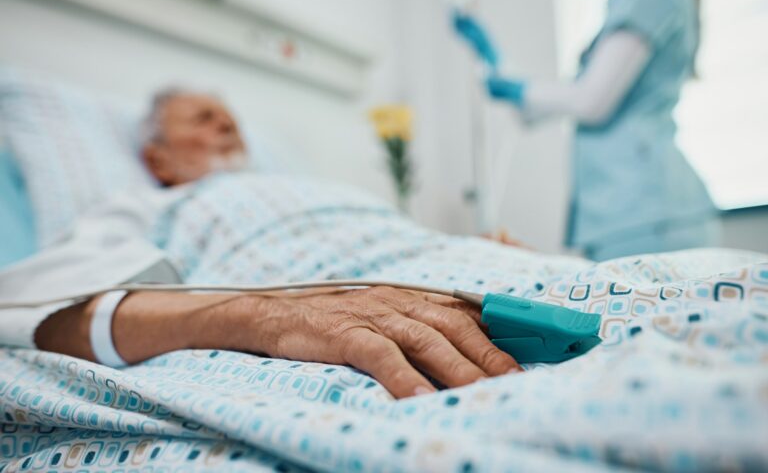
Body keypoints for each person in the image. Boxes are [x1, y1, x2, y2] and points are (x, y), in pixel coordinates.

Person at [0, 90, 522, 400]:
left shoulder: (318, 187)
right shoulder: (145, 206)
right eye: (202, 118)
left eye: (227, 116)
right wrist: (267, 316)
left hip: (448, 265)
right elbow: (45, 304)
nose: (227, 123)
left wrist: (461, 245)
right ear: (157, 159)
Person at [454, 0, 718, 261]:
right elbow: (543, 109)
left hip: (645, 215)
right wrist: (493, 58)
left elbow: (591, 103)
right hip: (624, 216)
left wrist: (516, 88)